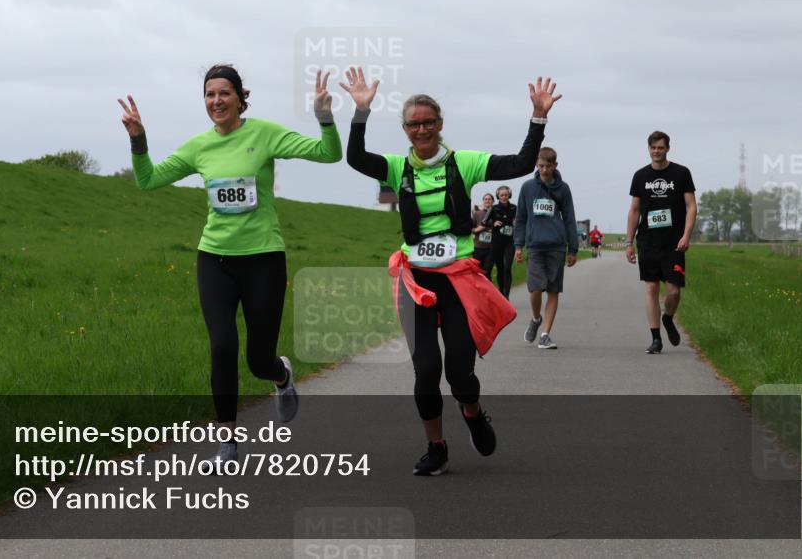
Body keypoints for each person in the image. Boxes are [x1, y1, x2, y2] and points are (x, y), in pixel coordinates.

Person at [119, 65, 342, 468]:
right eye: (209, 95)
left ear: (240, 97)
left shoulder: (265, 134)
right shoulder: (199, 146)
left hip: (263, 259)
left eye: (224, 93)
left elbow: (328, 154)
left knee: (259, 359)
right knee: (222, 347)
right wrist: (139, 141)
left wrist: (324, 117)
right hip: (215, 258)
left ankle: (280, 375)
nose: (216, 101)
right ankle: (227, 443)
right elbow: (148, 180)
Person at [347, 69, 561, 476]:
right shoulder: (397, 168)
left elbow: (517, 163)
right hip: (416, 280)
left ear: (440, 125)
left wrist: (538, 119)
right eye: (414, 124)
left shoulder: (464, 164)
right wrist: (360, 112)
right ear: (406, 129)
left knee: (459, 371)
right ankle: (436, 447)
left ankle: (473, 411)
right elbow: (356, 158)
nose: (422, 129)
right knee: (425, 371)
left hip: (459, 276)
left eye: (429, 122)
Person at [625, 131, 696, 354]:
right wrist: (629, 242)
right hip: (648, 241)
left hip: (674, 242)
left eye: (661, 147)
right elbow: (634, 210)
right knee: (652, 287)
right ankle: (656, 338)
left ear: (667, 148)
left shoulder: (681, 173)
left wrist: (686, 235)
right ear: (648, 149)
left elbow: (691, 207)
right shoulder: (640, 176)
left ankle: (668, 318)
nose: (657, 151)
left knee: (674, 291)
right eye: (653, 147)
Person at [514, 147, 578, 350]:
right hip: (534, 245)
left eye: (548, 166)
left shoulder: (563, 189)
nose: (544, 170)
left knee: (552, 290)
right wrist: (518, 245)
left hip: (557, 246)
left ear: (555, 165)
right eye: (541, 166)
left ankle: (545, 335)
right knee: (535, 288)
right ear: (536, 164)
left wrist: (573, 249)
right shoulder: (527, 188)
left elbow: (569, 219)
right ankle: (535, 318)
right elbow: (521, 218)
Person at [487, 185, 517, 298]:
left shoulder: (514, 208)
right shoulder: (494, 209)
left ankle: (507, 295)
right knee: (500, 268)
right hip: (497, 242)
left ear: (509, 195)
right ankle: (501, 292)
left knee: (507, 267)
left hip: (510, 242)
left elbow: (521, 221)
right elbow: (484, 222)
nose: (504, 197)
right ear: (498, 196)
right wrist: (492, 224)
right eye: (502, 195)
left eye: (506, 195)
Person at [471, 193, 495, 282]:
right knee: (478, 272)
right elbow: (470, 229)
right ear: (483, 201)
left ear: (493, 201)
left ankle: (490, 294)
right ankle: (481, 294)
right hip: (478, 248)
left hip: (491, 248)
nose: (487, 201)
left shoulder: (496, 213)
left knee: (487, 271)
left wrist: (494, 231)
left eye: (489, 199)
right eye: (485, 199)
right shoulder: (477, 214)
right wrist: (477, 230)